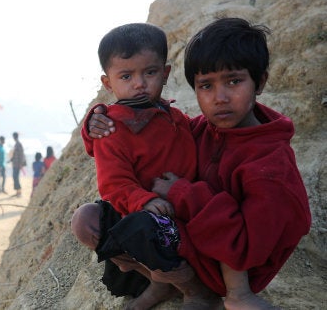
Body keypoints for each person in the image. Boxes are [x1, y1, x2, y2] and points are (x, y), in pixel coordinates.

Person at [84, 18, 311, 310]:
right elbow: (146, 140)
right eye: (206, 85)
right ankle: (163, 281)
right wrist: (95, 126)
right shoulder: (201, 129)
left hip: (230, 270)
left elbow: (245, 249)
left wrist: (181, 193)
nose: (220, 98)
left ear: (261, 82)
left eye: (234, 81)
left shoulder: (269, 166)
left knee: (140, 227)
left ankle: (201, 292)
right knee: (89, 218)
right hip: (192, 242)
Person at [72, 23, 206, 309]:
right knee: (86, 220)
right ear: (108, 83)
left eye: (150, 72)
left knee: (145, 229)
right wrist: (144, 201)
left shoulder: (178, 119)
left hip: (182, 214)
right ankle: (174, 285)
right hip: (142, 215)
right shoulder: (110, 127)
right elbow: (113, 185)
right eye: (126, 75)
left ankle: (189, 290)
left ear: (165, 73)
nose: (139, 83)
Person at [9, 132, 26, 197]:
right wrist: (11, 159)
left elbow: (21, 155)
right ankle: (17, 191)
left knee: (16, 177)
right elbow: (15, 155)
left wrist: (20, 164)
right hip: (15, 164)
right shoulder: (16, 144)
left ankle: (19, 192)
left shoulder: (19, 144)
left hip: (17, 165)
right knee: (15, 177)